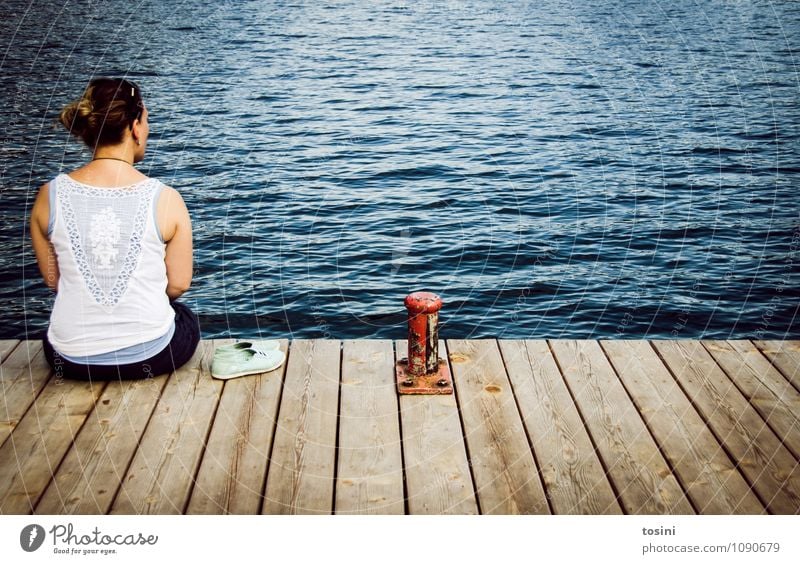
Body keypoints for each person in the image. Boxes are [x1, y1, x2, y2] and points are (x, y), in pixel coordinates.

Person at [29, 77, 199, 380]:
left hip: (69, 361)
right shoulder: (165, 199)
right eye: (146, 120)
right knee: (186, 317)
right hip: (151, 355)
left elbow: (55, 281)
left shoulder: (49, 196)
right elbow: (179, 285)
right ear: (135, 127)